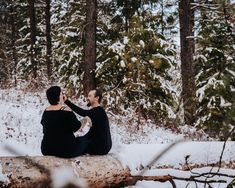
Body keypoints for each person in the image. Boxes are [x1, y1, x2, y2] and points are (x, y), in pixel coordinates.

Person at [40, 86, 86, 158]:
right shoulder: (66, 111)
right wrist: (85, 120)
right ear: (58, 97)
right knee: (84, 141)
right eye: (61, 94)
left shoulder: (46, 111)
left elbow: (46, 126)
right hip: (66, 150)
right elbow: (77, 127)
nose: (63, 95)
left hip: (47, 149)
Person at [63, 89, 112, 155]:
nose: (87, 98)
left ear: (97, 98)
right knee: (78, 140)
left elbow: (82, 112)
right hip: (104, 146)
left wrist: (66, 101)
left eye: (90, 96)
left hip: (101, 147)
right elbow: (93, 132)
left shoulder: (98, 111)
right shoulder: (98, 111)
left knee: (75, 145)